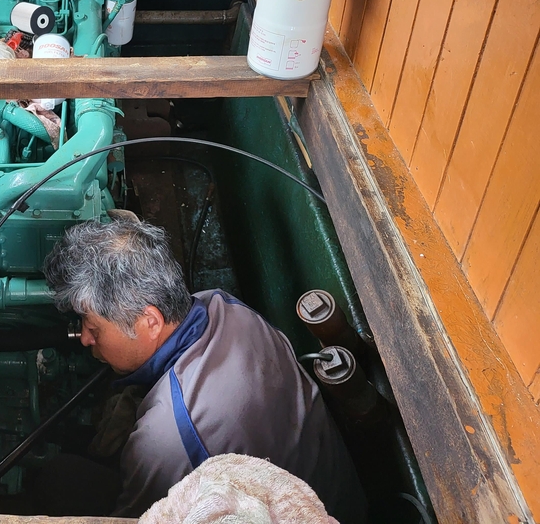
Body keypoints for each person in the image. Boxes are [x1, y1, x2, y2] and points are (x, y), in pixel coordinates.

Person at [41, 218, 367, 523]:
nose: (84, 338)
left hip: (309, 512)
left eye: (94, 328)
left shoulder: (164, 441)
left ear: (150, 321)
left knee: (58, 477)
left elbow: (136, 518)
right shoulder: (225, 306)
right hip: (342, 491)